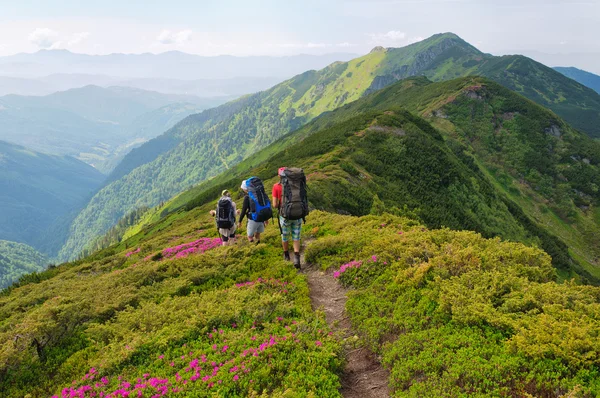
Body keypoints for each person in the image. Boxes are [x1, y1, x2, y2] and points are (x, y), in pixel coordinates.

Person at [272, 167, 306, 269]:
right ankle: (296, 257)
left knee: (285, 236)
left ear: (279, 176)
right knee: (296, 236)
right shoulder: (297, 184)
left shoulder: (276, 186)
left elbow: (274, 205)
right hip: (298, 214)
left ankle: (286, 255)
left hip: (285, 216)